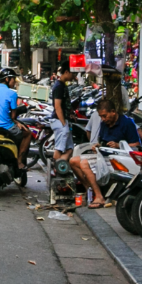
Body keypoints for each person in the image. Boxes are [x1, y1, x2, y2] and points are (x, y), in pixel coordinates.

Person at [48, 61, 104, 207]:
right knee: (59, 149)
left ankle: (60, 169)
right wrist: (63, 123)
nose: (74, 76)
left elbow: (65, 106)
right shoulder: (59, 86)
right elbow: (58, 106)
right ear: (66, 72)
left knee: (70, 149)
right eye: (72, 73)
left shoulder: (63, 86)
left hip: (64, 120)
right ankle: (57, 169)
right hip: (60, 121)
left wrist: (70, 115)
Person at [0, 67, 30, 171]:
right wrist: (16, 122)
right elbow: (13, 116)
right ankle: (19, 161)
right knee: (27, 134)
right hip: (5, 127)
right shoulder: (12, 93)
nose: (14, 82)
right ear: (7, 79)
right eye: (13, 79)